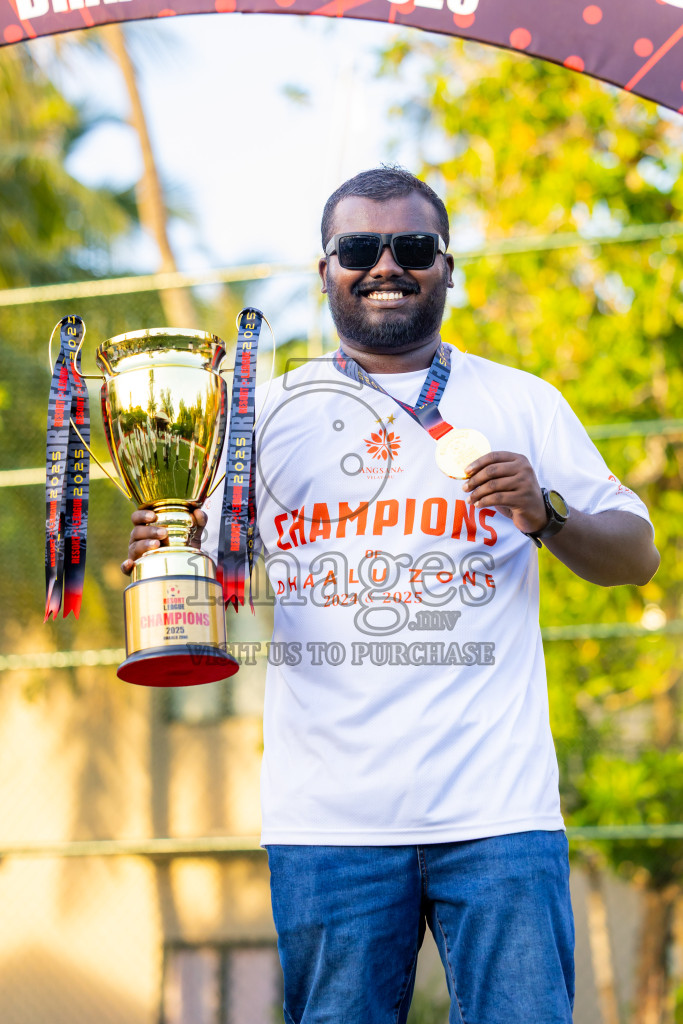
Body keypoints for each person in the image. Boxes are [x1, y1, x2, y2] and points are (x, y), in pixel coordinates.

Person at [122, 168, 659, 1023]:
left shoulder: (522, 401)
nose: (385, 265)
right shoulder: (265, 414)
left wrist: (544, 512)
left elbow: (636, 556)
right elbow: (212, 579)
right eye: (358, 249)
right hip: (328, 825)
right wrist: (168, 560)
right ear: (325, 270)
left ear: (448, 267)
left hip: (497, 816)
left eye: (411, 247)